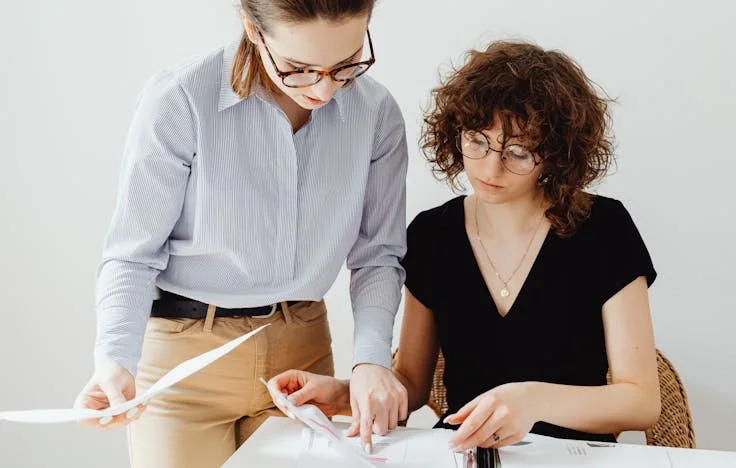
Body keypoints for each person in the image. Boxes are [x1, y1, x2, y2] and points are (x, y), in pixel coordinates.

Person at [269, 39, 662, 452]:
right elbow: (412, 386)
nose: (491, 167)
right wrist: (342, 393)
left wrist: (532, 400)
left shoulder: (603, 229)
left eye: (518, 152)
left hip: (573, 456)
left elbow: (640, 401)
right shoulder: (433, 234)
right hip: (467, 455)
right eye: (477, 141)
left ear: (557, 154)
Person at [73, 1, 409, 466]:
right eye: (299, 68)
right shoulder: (182, 98)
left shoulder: (377, 114)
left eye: (347, 64)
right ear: (254, 31)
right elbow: (133, 254)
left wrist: (371, 361)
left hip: (303, 360)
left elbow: (378, 255)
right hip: (184, 364)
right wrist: (114, 359)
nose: (325, 88)